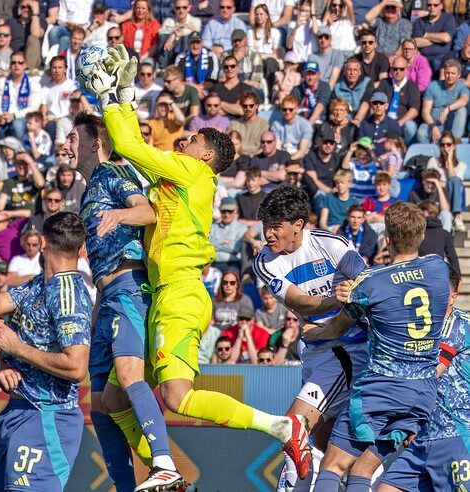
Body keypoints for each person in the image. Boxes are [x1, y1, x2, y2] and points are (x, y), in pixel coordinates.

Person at [84, 45, 311, 481]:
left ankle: (280, 426)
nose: (182, 142)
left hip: (180, 294)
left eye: (191, 141)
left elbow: (130, 145)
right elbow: (138, 153)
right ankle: (161, 470)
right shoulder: (180, 179)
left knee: (175, 396)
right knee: (113, 401)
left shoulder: (193, 174)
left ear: (205, 155)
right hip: (163, 295)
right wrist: (125, 97)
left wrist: (107, 101)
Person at [61, 111, 184, 491]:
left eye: (72, 137)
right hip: (107, 295)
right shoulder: (87, 188)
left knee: (129, 375)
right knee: (100, 404)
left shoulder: (113, 172)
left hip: (130, 287)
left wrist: (118, 214)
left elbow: (149, 212)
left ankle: (164, 464)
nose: (66, 144)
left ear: (96, 143)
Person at [306, 202, 448, 491]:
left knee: (332, 464)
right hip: (422, 394)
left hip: (381, 389)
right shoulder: (438, 268)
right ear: (421, 236)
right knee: (361, 471)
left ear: (387, 239)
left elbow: (336, 328)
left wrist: (312, 333)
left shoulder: (369, 283)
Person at [0, 212, 90, 492]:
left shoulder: (68, 294)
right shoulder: (38, 284)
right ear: (81, 247)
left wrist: (16, 348)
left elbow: (77, 366)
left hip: (47, 416)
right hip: (18, 410)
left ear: (42, 243)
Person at [253, 185, 368, 490]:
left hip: (348, 350)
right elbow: (299, 302)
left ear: (298, 225)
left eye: (276, 227)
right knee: (326, 445)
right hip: (315, 353)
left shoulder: (333, 246)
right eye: (265, 227)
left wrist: (352, 294)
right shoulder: (265, 261)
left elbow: (367, 285)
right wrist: (337, 299)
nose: (268, 234)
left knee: (294, 428)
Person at [377, 270, 468, 491]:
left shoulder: (459, 325)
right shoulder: (418, 328)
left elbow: (426, 374)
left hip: (454, 435)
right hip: (420, 440)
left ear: (453, 296)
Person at [417, 60, 468, 143]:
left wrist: (448, 108)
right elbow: (425, 112)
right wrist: (433, 127)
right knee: (421, 132)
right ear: (444, 73)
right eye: (448, 73)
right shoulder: (433, 86)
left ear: (459, 75)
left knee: (462, 110)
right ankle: (427, 155)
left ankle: (455, 141)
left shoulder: (462, 87)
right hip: (433, 123)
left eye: (453, 73)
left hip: (451, 124)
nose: (450, 76)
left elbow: (464, 100)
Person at [412, 0, 455, 72]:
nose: (432, 7)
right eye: (429, 5)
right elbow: (416, 42)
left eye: (435, 5)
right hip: (423, 57)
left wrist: (426, 35)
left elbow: (446, 38)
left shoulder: (448, 18)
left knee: (436, 62)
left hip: (441, 58)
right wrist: (438, 38)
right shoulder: (420, 21)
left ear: (441, 6)